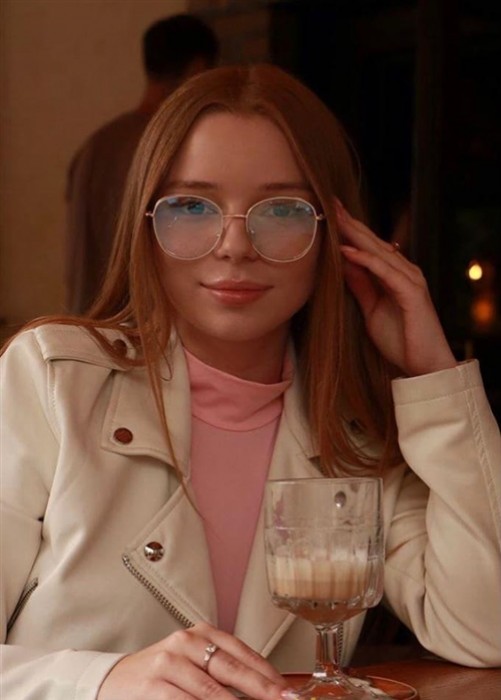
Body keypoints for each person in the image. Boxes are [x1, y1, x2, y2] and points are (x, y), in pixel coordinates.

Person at [1, 64, 500, 700]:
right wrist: (101, 680)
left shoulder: (360, 432)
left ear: (334, 235)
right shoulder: (51, 381)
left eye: (281, 209)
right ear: (145, 226)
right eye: (191, 206)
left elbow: (485, 630)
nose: (235, 245)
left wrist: (435, 375)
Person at [65, 13, 219, 314]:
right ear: (198, 68)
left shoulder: (96, 145)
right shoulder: (180, 145)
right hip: (145, 326)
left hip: (90, 323)